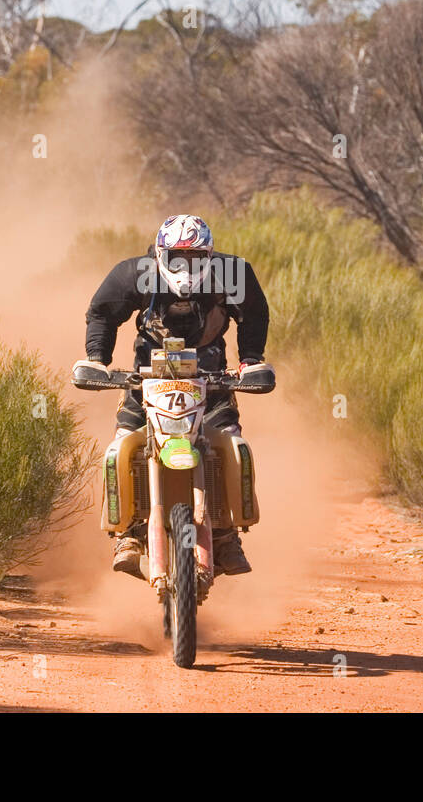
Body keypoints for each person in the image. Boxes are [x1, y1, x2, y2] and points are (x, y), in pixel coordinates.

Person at [83, 214, 269, 576]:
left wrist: (250, 361)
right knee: (121, 445)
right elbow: (102, 313)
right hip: (145, 379)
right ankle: (127, 533)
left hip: (212, 377)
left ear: (210, 255)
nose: (186, 267)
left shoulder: (233, 273)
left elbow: (255, 314)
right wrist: (97, 360)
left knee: (232, 444)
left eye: (196, 258)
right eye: (177, 258)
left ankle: (228, 534)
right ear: (160, 254)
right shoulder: (135, 273)